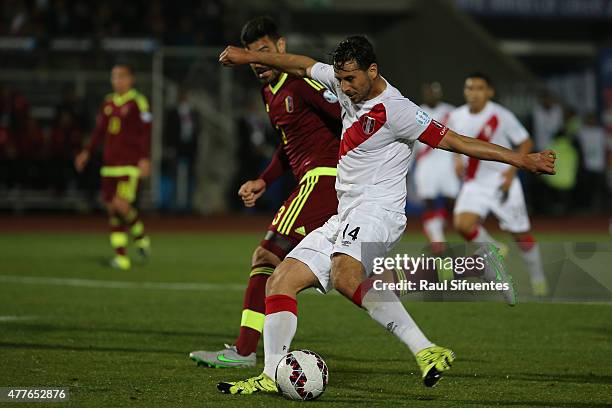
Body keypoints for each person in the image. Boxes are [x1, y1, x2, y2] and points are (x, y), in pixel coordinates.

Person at [215, 36, 556, 394]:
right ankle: (271, 374)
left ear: (372, 70)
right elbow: (301, 65)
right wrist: (248, 56)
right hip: (345, 213)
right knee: (280, 280)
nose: (344, 88)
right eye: (340, 80)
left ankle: (425, 349)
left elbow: (458, 141)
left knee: (347, 275)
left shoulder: (398, 109)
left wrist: (522, 159)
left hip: (380, 210)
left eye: (351, 80)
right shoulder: (341, 80)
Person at [189, 16, 342, 368]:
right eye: (252, 55)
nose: (259, 62)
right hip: (313, 181)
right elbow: (288, 146)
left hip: (325, 179)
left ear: (281, 48)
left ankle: (245, 352)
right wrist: (264, 180)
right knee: (336, 272)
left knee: (265, 255)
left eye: (265, 52)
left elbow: (345, 114)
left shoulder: (302, 82)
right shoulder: (269, 93)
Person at [450, 72, 549, 297]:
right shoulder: (456, 116)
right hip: (474, 183)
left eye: (479, 88)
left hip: (501, 181)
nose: (473, 93)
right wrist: (456, 159)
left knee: (521, 233)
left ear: (489, 92)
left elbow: (525, 142)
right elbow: (452, 142)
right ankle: (494, 249)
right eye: (469, 88)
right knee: (463, 225)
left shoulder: (501, 115)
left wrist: (511, 173)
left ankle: (538, 277)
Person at [74, 63, 152, 270]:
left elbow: (146, 132)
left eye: (121, 77)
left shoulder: (138, 102)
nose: (117, 80)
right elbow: (99, 131)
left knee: (121, 205)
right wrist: (86, 152)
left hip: (129, 164)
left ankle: (140, 235)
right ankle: (122, 258)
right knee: (112, 210)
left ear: (131, 79)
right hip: (109, 164)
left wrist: (144, 158)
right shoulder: (108, 102)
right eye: (114, 77)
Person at [413, 82, 458, 253]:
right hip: (426, 163)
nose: (430, 95)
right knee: (429, 200)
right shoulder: (416, 111)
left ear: (439, 94)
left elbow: (459, 138)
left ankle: (434, 226)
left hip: (446, 161)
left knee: (451, 201)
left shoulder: (450, 112)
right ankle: (437, 239)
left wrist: (459, 159)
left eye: (433, 93)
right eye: (428, 92)